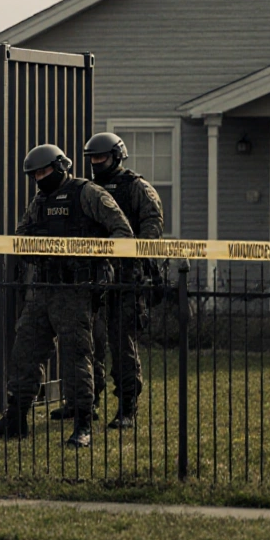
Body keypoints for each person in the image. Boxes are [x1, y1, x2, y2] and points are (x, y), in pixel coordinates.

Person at [0, 144, 134, 448]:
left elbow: (122, 232)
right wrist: (36, 247)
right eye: (35, 174)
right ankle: (16, 418)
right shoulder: (39, 201)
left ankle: (82, 423)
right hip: (43, 288)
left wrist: (93, 256)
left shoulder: (88, 193)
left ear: (62, 167)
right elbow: (21, 236)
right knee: (25, 351)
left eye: (44, 171)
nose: (40, 178)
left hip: (76, 290)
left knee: (76, 356)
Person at [83, 132, 165, 429]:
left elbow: (152, 224)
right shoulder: (88, 189)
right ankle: (87, 402)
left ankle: (127, 408)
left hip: (126, 276)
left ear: (116, 156)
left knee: (122, 345)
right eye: (92, 158)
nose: (96, 162)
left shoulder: (136, 187)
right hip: (94, 274)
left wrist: (134, 257)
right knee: (89, 342)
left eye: (101, 157)